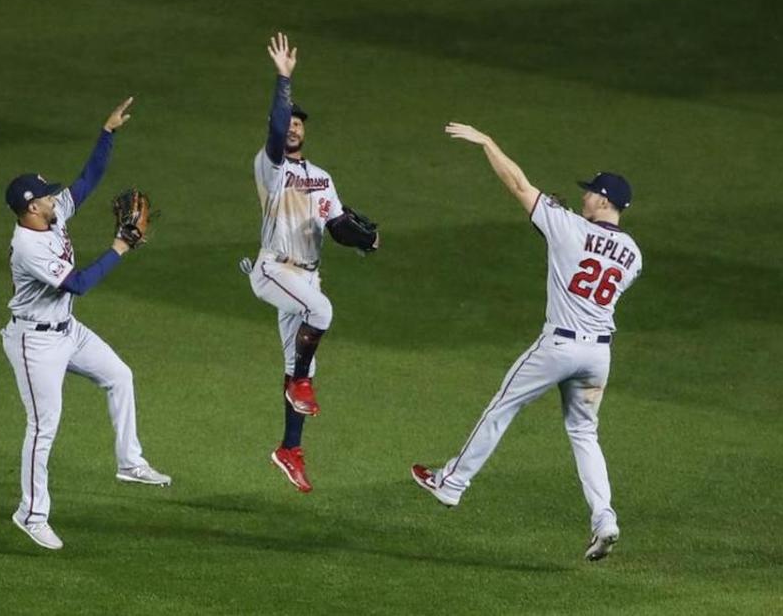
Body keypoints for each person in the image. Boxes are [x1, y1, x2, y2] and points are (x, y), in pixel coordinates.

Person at [411, 122, 643, 562]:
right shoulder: (633, 253)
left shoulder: (569, 228)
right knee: (584, 433)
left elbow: (518, 184)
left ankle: (451, 483)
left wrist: (488, 143)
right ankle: (604, 518)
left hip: (559, 346)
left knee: (502, 406)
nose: (584, 196)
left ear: (605, 200)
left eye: (591, 192)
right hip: (599, 355)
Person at [1, 98, 170, 551]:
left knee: (120, 375)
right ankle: (31, 514)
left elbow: (88, 181)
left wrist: (107, 133)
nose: (58, 198)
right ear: (31, 208)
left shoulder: (50, 216)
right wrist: (120, 248)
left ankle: (129, 461)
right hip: (34, 343)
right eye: (48, 196)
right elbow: (76, 284)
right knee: (43, 428)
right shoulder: (29, 247)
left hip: (66, 331)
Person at [246, 33, 379, 493]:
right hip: (272, 269)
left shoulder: (322, 177)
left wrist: (366, 239)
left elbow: (338, 224)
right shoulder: (270, 166)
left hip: (305, 275)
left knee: (301, 359)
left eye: (300, 123)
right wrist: (284, 79)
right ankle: (298, 384)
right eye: (289, 121)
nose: (294, 126)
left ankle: (289, 449)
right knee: (321, 312)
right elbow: (275, 127)